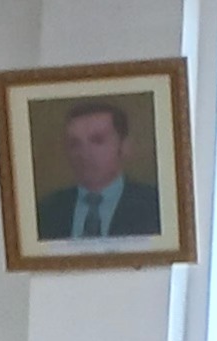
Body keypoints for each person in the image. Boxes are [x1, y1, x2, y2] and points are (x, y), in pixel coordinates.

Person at [33, 101, 162, 245]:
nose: (84, 154)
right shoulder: (46, 211)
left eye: (97, 141)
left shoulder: (155, 206)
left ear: (124, 146)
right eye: (75, 144)